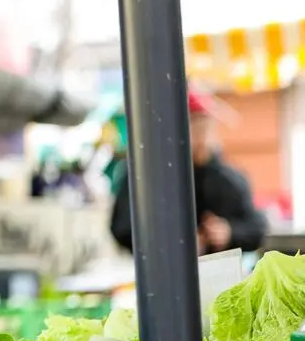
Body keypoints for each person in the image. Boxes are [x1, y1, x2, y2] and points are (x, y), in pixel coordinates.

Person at [108, 88, 268, 255]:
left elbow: (257, 228)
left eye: (205, 127)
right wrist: (171, 243)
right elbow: (122, 228)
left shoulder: (228, 178)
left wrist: (228, 232)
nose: (201, 137)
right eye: (194, 127)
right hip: (164, 268)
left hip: (220, 268)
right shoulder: (145, 176)